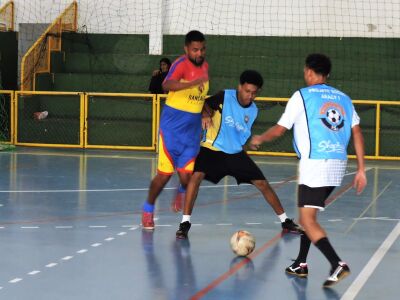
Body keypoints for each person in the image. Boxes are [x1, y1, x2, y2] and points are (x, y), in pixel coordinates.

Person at [250, 54, 367, 288]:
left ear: (310, 72)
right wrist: (361, 169)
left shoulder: (301, 96)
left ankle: (336, 264)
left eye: (305, 71)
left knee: (306, 218)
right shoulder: (344, 98)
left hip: (315, 163)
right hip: (338, 165)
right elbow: (356, 133)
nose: (305, 74)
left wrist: (260, 138)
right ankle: (301, 263)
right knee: (309, 215)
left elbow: (281, 129)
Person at [175, 70, 302, 239]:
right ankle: (185, 223)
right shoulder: (224, 96)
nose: (250, 96)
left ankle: (285, 221)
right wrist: (205, 114)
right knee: (196, 177)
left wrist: (248, 147)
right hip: (211, 148)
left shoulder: (253, 111)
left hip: (234, 153)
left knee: (262, 183)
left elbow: (239, 135)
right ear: (240, 87)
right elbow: (203, 104)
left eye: (254, 93)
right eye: (247, 91)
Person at [141, 30, 209, 229]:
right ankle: (147, 209)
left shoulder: (205, 67)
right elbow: (166, 85)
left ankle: (181, 189)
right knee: (163, 176)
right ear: (186, 49)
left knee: (188, 179)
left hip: (191, 133)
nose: (199, 53)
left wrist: (205, 112)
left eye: (202, 49)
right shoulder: (181, 65)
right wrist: (190, 83)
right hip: (171, 131)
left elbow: (201, 96)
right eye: (195, 49)